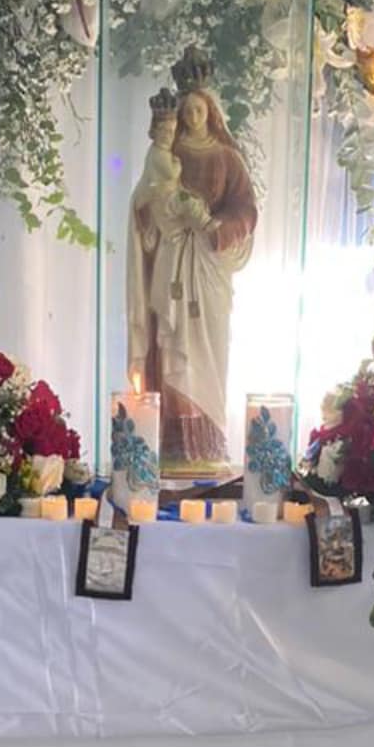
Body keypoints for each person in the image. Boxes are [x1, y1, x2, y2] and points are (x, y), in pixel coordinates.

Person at [127, 63, 258, 471]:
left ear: (211, 110)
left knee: (209, 352)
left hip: (209, 265)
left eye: (198, 110)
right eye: (186, 112)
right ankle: (173, 442)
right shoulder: (168, 154)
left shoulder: (227, 158)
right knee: (170, 347)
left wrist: (212, 226)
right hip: (173, 261)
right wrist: (168, 209)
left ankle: (208, 441)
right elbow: (143, 205)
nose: (192, 117)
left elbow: (246, 210)